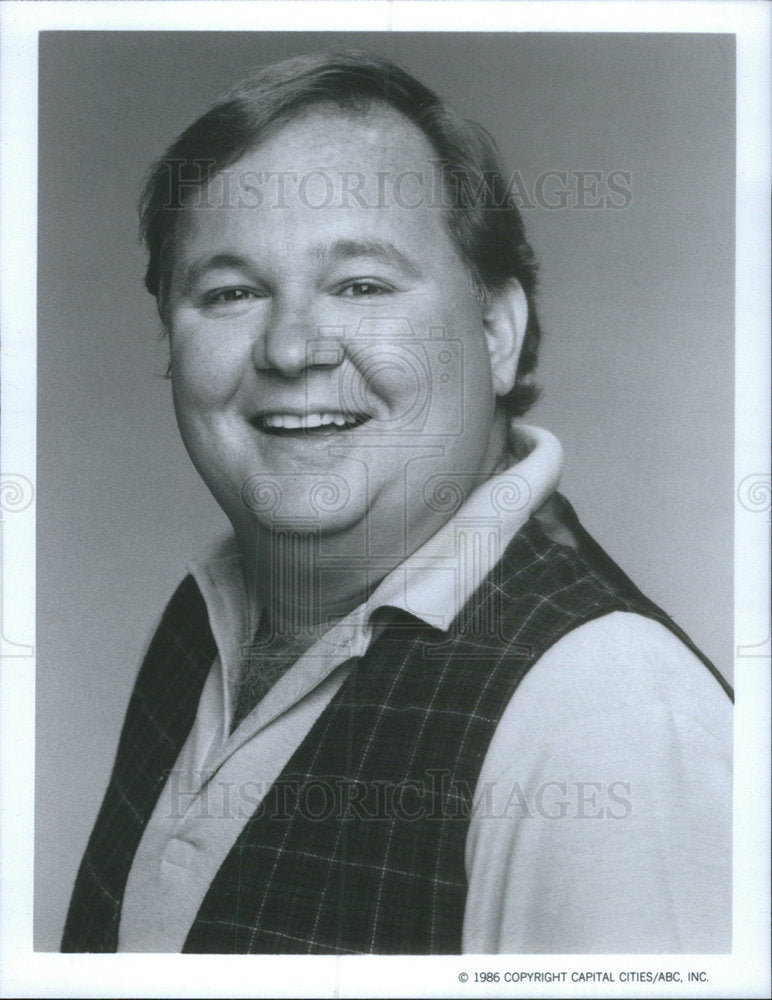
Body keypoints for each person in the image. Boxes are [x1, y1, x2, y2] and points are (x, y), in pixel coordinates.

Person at [61, 50, 732, 955]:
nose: (293, 348)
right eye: (231, 292)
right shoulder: (200, 623)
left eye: (363, 286)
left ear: (497, 332)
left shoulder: (607, 718)